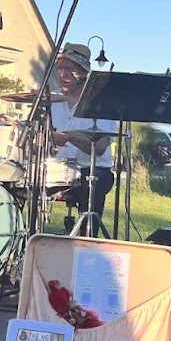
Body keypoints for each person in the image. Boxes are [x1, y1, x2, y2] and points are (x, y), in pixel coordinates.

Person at [48, 44, 116, 232]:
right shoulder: (51, 102)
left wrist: (69, 137)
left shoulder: (101, 104)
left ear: (83, 74)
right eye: (60, 68)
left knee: (92, 182)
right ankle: (24, 237)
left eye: (68, 69)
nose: (62, 74)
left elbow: (101, 145)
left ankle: (86, 240)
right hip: (57, 170)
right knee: (21, 180)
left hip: (92, 170)